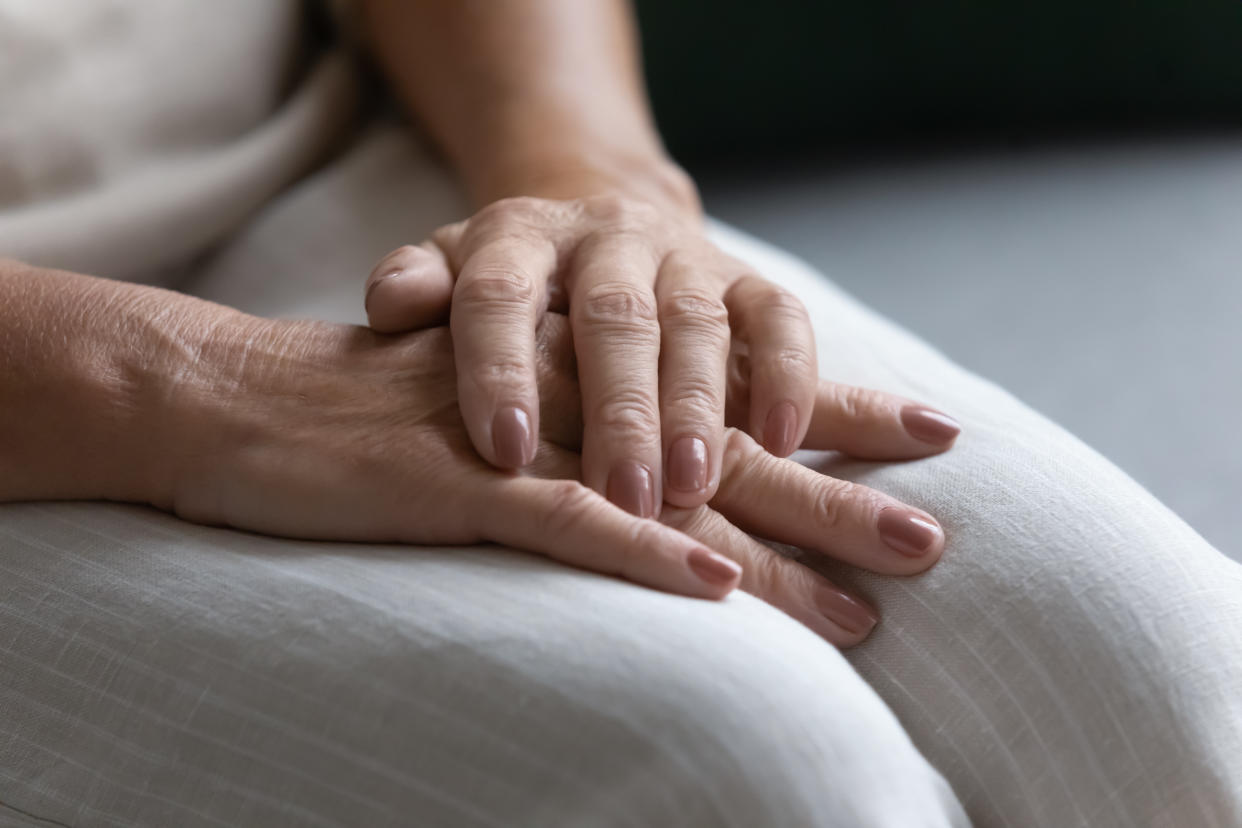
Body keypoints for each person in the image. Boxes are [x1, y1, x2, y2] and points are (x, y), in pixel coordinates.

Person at [0, 2, 1238, 826]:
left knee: (1153, 661)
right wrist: (204, 380)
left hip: (346, 175)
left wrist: (588, 181)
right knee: (754, 783)